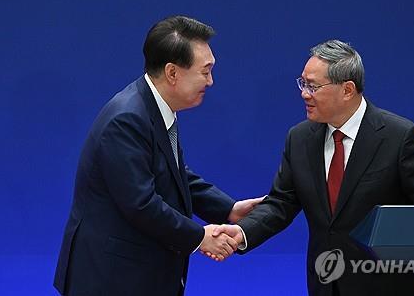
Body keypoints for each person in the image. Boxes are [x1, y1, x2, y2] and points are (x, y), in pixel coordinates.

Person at [212, 40, 414, 295]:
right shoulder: (300, 138)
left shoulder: (399, 137)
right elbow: (281, 203)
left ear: (347, 90)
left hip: (388, 285)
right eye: (302, 83)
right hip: (325, 283)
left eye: (313, 86)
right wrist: (241, 232)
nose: (304, 93)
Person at [53, 15, 262, 296]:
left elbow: (174, 174)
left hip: (138, 272)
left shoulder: (154, 108)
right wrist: (200, 237)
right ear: (173, 73)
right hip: (111, 279)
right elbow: (141, 204)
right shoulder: (126, 119)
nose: (211, 81)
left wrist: (228, 209)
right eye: (205, 71)